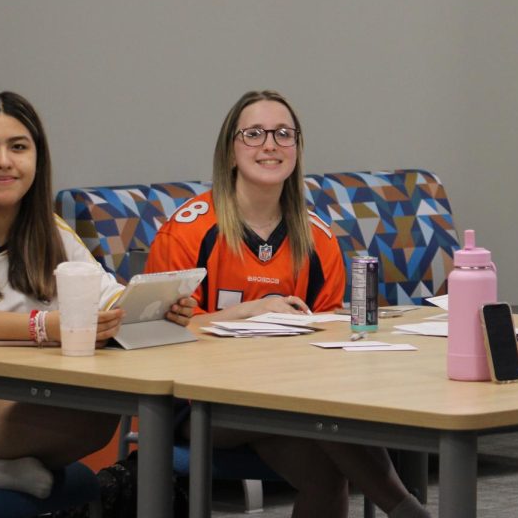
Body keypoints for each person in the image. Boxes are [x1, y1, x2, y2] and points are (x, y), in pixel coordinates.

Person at [147, 89, 429, 518]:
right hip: (199, 405)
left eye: (283, 134)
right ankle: (407, 509)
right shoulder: (187, 231)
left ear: (297, 149)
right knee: (323, 415)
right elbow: (152, 334)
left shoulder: (317, 238)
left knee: (327, 471)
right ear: (229, 151)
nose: (270, 145)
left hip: (290, 396)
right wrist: (244, 311)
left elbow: (331, 335)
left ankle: (406, 510)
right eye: (254, 134)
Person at [0, 91, 126, 498]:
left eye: (18, 147)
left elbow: (113, 302)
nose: (4, 161)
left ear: (37, 157)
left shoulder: (52, 232)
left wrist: (177, 309)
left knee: (98, 409)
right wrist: (43, 327)